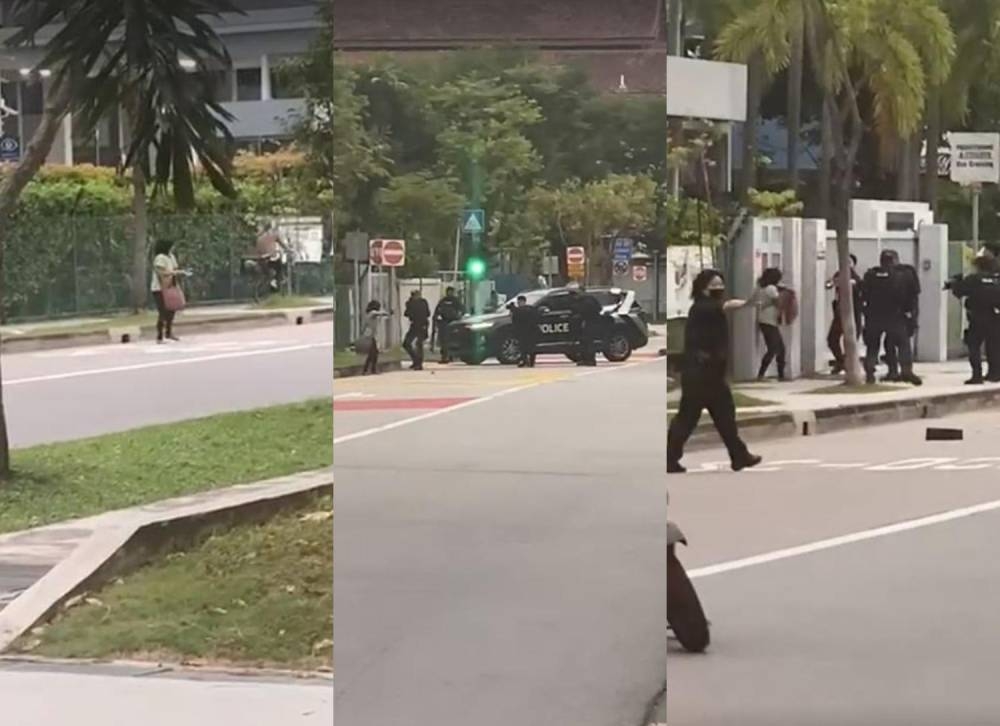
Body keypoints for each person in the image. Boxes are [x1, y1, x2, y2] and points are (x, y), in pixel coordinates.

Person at [667, 269, 762, 474]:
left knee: (722, 417)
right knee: (689, 419)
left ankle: (739, 456)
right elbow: (726, 305)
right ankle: (669, 458)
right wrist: (747, 303)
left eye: (721, 284)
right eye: (714, 285)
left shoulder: (706, 307)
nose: (719, 288)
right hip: (702, 374)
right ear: (704, 288)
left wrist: (747, 303)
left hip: (708, 374)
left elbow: (725, 306)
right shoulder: (704, 308)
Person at [861, 250, 922, 386]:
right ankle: (906, 371)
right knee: (903, 344)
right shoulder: (904, 274)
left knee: (873, 347)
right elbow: (912, 296)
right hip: (895, 315)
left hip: (874, 317)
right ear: (895, 260)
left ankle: (870, 373)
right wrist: (911, 315)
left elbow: (864, 294)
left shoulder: (871, 275)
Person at [947, 253, 1000, 383]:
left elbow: (959, 291)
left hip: (977, 317)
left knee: (974, 345)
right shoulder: (997, 279)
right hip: (995, 317)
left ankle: (977, 375)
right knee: (993, 346)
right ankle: (995, 374)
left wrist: (955, 283)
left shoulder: (974, 279)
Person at [881, 250, 920, 382]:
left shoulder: (904, 273)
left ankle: (903, 371)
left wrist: (910, 313)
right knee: (893, 343)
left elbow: (914, 294)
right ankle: (899, 371)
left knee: (899, 343)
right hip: (899, 313)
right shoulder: (906, 272)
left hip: (901, 313)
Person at [825, 254, 863, 374]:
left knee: (851, 341)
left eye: (849, 262)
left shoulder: (856, 278)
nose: (846, 264)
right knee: (832, 339)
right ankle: (840, 361)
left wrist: (851, 284)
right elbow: (828, 285)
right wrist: (834, 282)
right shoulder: (838, 274)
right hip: (839, 313)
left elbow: (860, 289)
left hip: (853, 313)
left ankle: (848, 364)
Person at [150, 238, 189, 344]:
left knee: (171, 310)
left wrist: (178, 273)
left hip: (171, 286)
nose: (173, 248)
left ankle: (169, 332)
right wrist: (175, 273)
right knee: (162, 311)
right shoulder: (160, 258)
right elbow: (161, 272)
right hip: (159, 288)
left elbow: (174, 269)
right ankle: (159, 336)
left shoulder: (171, 257)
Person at [753, 268, 786, 381]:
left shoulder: (761, 288)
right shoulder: (771, 289)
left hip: (764, 320)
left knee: (777, 348)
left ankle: (777, 375)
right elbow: (778, 302)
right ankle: (764, 374)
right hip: (769, 321)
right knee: (775, 348)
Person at [433, 286, 464, 364]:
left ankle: (452, 356)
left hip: (453, 322)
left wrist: (459, 317)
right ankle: (444, 356)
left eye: (451, 292)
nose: (450, 293)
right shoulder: (443, 301)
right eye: (449, 292)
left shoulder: (456, 301)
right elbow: (437, 311)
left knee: (452, 340)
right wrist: (436, 319)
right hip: (444, 322)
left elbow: (462, 309)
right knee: (444, 341)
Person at [573, 287, 603, 366]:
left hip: (588, 323)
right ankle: (588, 359)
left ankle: (589, 360)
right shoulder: (591, 298)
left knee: (587, 342)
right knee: (588, 342)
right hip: (593, 322)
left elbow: (581, 312)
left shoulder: (583, 300)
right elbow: (600, 308)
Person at [403, 289, 431, 370]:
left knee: (419, 344)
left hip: (422, 324)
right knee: (406, 343)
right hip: (415, 324)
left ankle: (419, 363)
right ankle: (416, 360)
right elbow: (406, 313)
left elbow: (427, 313)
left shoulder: (423, 302)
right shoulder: (410, 303)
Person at [359, 300, 388, 375]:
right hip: (368, 336)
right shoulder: (371, 313)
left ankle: (368, 370)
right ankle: (370, 370)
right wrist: (385, 313)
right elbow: (378, 313)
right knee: (373, 353)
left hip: (370, 336)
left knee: (373, 354)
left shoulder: (373, 316)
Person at [511, 294, 539, 367]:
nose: (519, 303)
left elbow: (514, 321)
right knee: (528, 348)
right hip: (529, 331)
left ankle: (527, 361)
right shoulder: (530, 309)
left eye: (520, 302)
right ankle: (528, 362)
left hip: (525, 331)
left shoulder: (518, 310)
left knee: (524, 347)